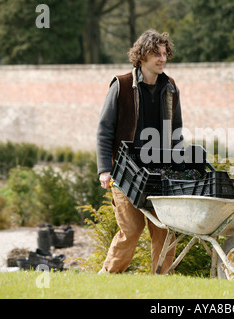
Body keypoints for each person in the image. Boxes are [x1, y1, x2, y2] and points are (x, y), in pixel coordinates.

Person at [96, 29, 183, 274]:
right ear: (142, 56)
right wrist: (104, 169)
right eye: (156, 54)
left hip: (160, 172)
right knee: (131, 229)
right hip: (125, 173)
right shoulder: (121, 85)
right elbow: (104, 129)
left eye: (165, 54)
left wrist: (179, 164)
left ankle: (163, 280)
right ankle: (108, 277)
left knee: (164, 228)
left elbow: (176, 129)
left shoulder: (170, 87)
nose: (162, 59)